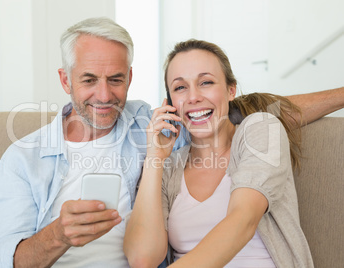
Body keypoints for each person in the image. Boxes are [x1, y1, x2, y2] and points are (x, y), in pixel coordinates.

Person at [0, 17, 343, 267]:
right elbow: (2, 261)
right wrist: (57, 235)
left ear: (131, 77)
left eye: (116, 79)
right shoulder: (23, 158)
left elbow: (255, 110)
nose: (104, 95)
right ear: (65, 80)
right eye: (89, 79)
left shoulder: (153, 125)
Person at [123, 40, 321, 267]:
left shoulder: (260, 130)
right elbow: (143, 258)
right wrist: (155, 159)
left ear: (231, 90)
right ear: (170, 104)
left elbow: (243, 222)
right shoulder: (169, 167)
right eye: (180, 87)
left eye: (206, 82)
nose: (193, 97)